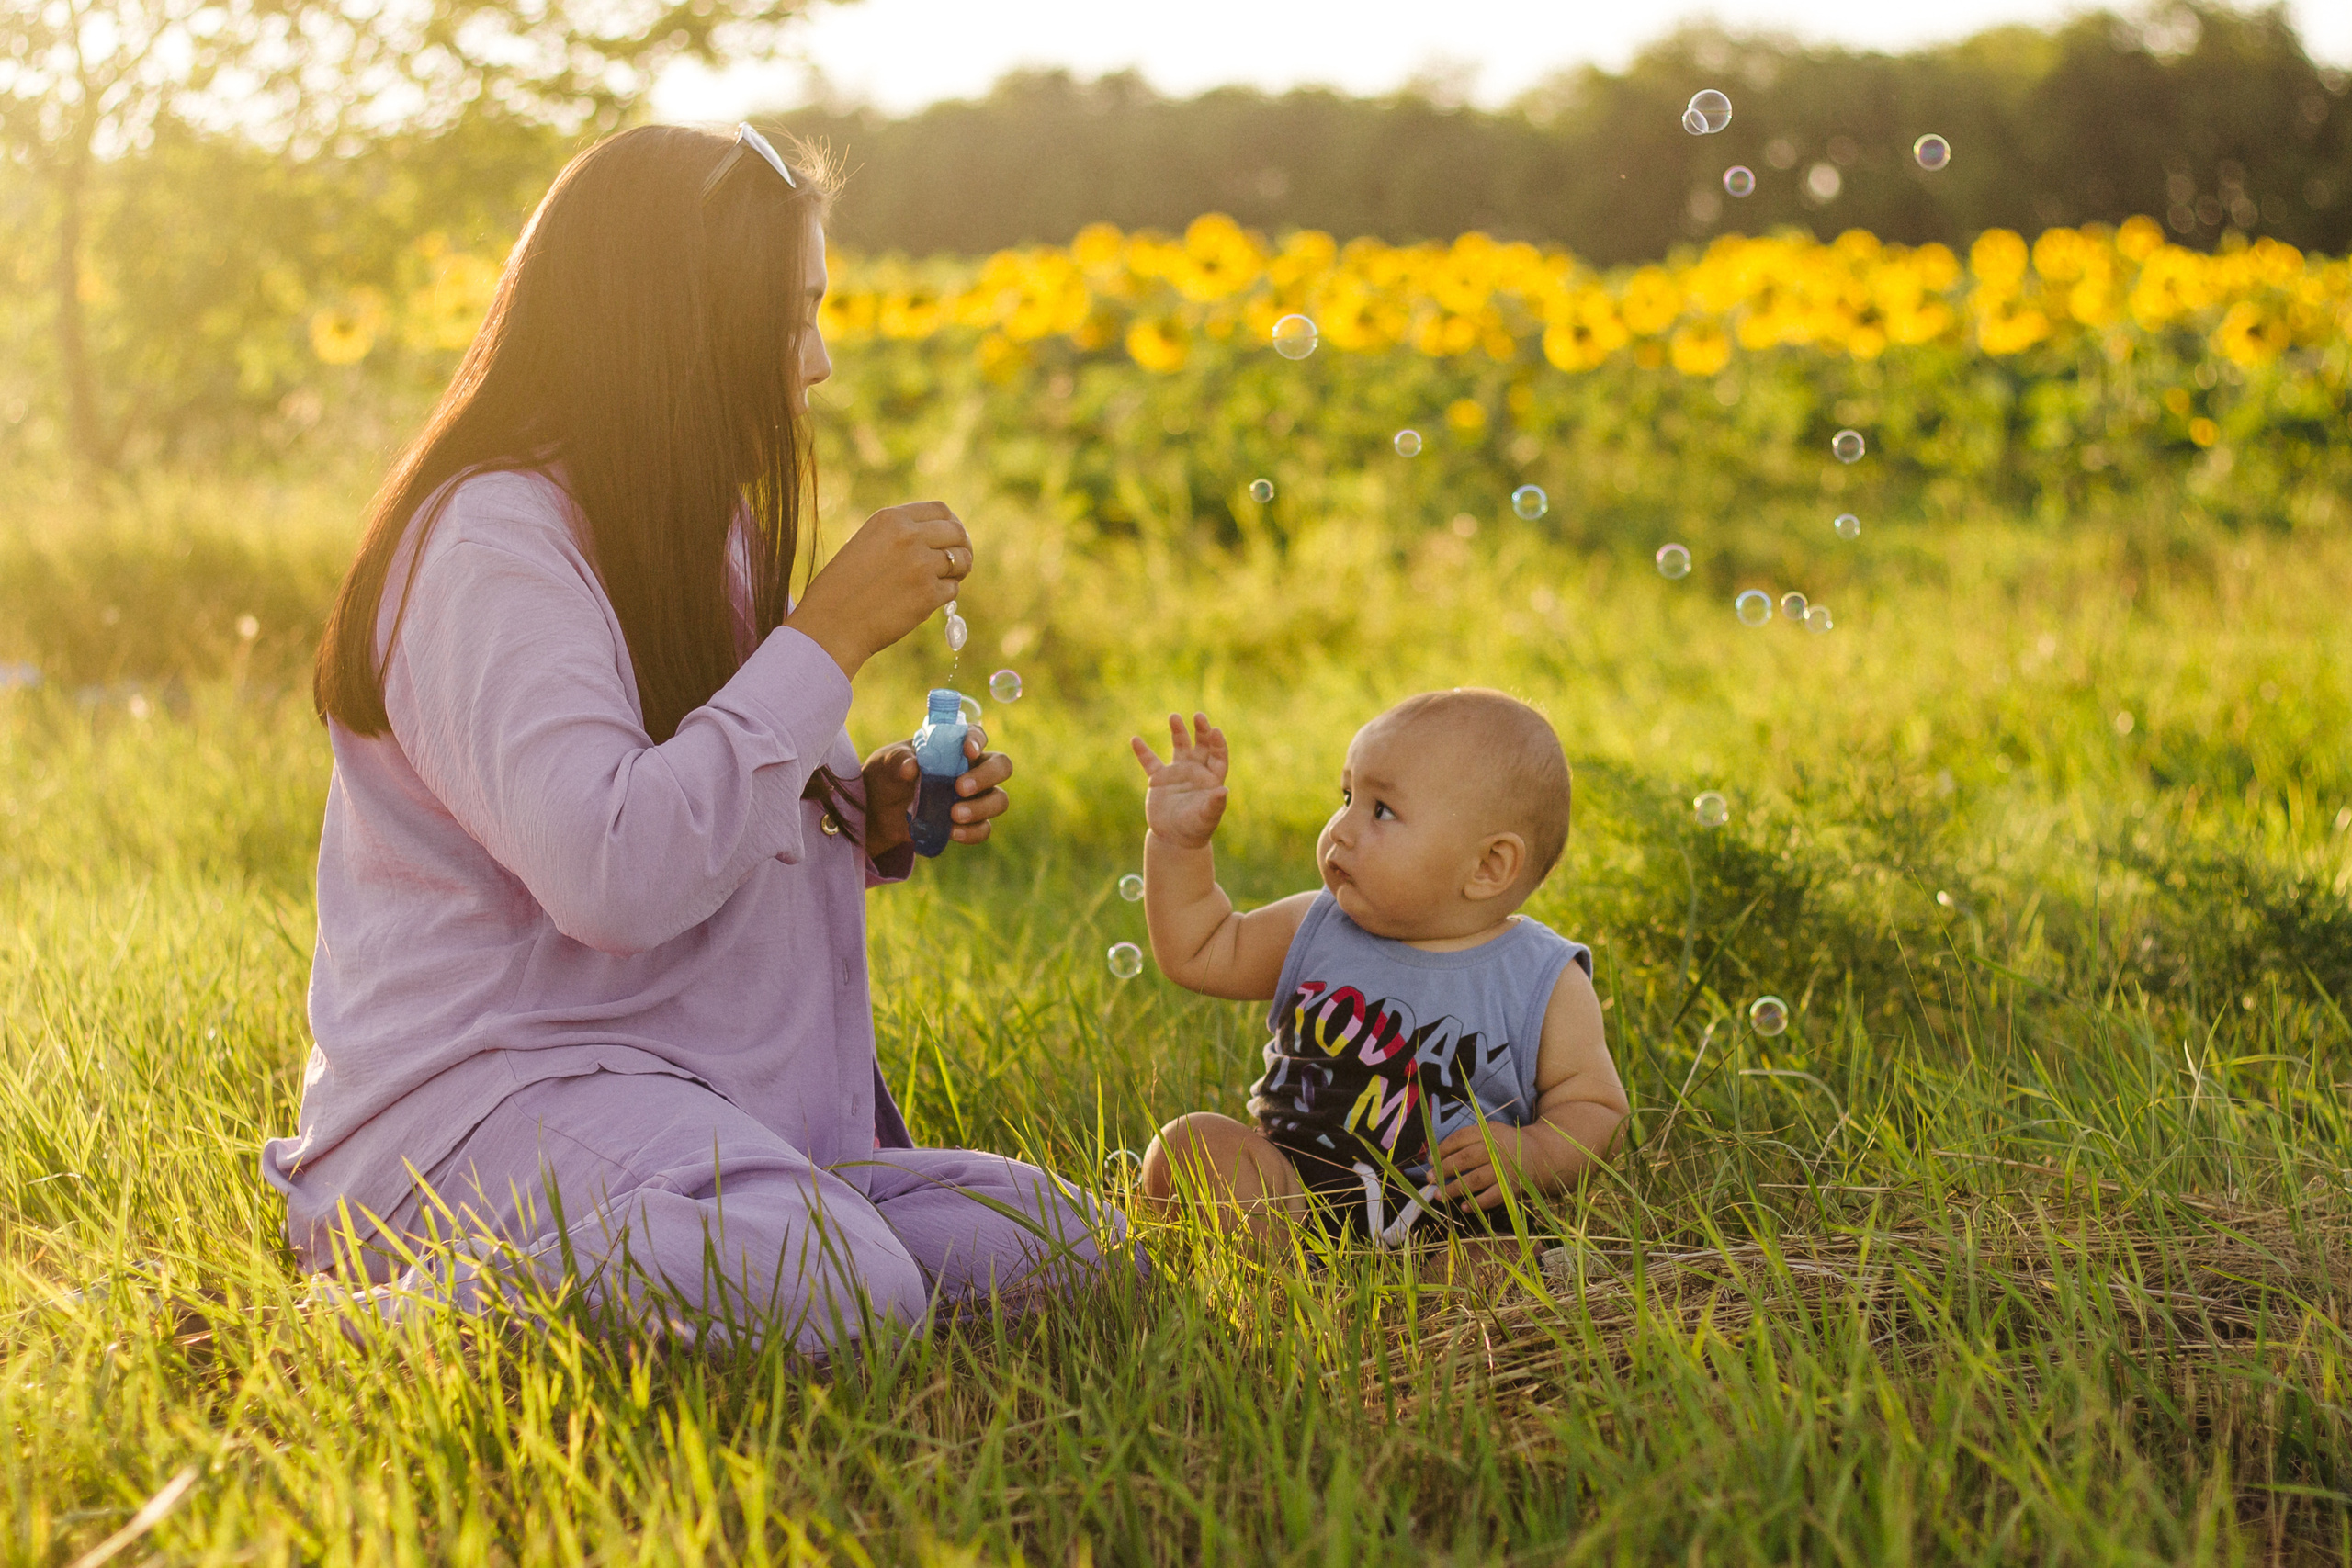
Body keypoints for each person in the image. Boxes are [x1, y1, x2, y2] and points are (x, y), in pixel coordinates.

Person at [261, 124, 1128, 1349]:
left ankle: (751, 1232)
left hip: (697, 1093)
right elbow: (613, 871)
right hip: (482, 1106)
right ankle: (359, 1323)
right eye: (788, 317)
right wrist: (826, 637)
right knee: (842, 1283)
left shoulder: (686, 527)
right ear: (671, 322)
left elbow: (709, 772)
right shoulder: (489, 543)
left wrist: (859, 809)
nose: (817, 363)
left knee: (1063, 1247)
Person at [1128, 692, 1628, 1247]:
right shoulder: (1316, 925)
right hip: (1295, 1190)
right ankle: (1289, 1287)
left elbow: (1597, 1110)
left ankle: (1425, 1308)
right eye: (1346, 796)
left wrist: (1532, 1153)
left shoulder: (1544, 979)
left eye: (1381, 810)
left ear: (1488, 866)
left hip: (1451, 1216)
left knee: (1503, 1258)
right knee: (1189, 1145)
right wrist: (1178, 843)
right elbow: (1200, 950)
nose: (1340, 828)